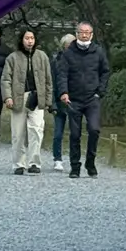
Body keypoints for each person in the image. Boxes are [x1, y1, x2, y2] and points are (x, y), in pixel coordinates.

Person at [55, 21, 110, 178]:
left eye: (87, 32)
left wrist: (100, 91)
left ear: (91, 35)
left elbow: (105, 72)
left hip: (92, 98)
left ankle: (90, 163)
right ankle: (75, 167)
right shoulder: (68, 53)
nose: (84, 35)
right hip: (74, 99)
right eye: (81, 32)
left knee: (94, 129)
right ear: (77, 33)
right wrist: (64, 92)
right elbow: (62, 74)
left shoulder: (98, 52)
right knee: (75, 134)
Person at [2, 28, 52, 174]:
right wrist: (7, 97)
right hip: (19, 97)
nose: (30, 41)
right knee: (18, 133)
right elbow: (5, 79)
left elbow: (48, 80)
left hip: (37, 98)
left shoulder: (42, 57)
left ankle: (34, 162)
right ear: (21, 40)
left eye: (32, 38)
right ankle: (18, 164)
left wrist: (48, 100)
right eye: (27, 38)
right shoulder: (12, 57)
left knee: (36, 130)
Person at [49, 34, 74, 171]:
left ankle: (73, 159)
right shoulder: (55, 62)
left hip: (74, 102)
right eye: (68, 45)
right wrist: (52, 103)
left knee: (74, 133)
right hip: (59, 102)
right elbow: (52, 83)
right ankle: (57, 158)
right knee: (58, 133)